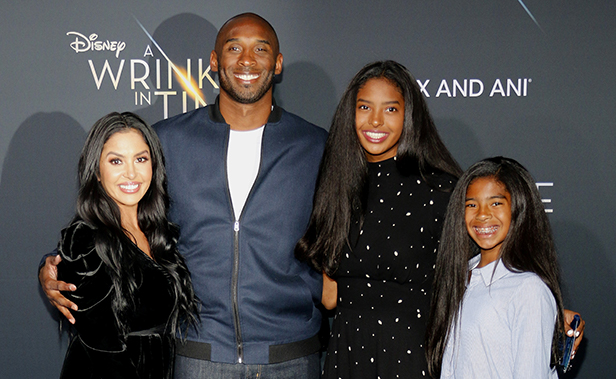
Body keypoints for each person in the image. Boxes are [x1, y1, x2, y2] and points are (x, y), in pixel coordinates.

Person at [40, 13, 327, 379]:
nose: (246, 60)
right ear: (213, 61)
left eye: (261, 48)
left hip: (292, 356)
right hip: (197, 355)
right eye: (234, 47)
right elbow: (113, 213)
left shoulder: (316, 145)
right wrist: (51, 266)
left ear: (279, 63)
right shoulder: (167, 141)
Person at [296, 60, 463, 378]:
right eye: (364, 107)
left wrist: (543, 310)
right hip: (346, 353)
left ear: (408, 115)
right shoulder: (335, 185)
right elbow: (329, 297)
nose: (375, 121)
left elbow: (475, 273)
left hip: (412, 354)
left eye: (390, 109)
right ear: (351, 113)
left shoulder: (439, 189)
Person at [55, 112, 200, 378]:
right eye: (116, 161)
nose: (131, 173)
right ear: (97, 171)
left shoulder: (159, 233)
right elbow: (104, 352)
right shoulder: (86, 240)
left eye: (141, 159)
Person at [426, 157, 566, 378]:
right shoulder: (459, 278)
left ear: (518, 207)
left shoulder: (528, 289)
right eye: (471, 204)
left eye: (496, 203)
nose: (482, 214)